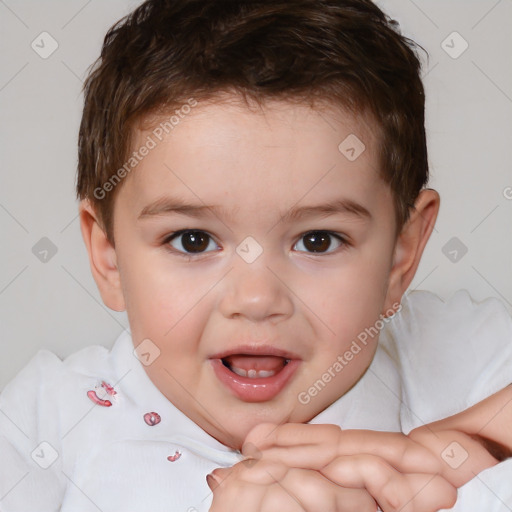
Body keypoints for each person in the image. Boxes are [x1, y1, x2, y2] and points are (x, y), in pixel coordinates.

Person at [1, 0, 511, 510]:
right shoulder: (45, 426)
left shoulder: (454, 362)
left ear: (402, 254)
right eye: (193, 241)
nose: (256, 298)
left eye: (318, 240)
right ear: (108, 254)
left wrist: (442, 451)